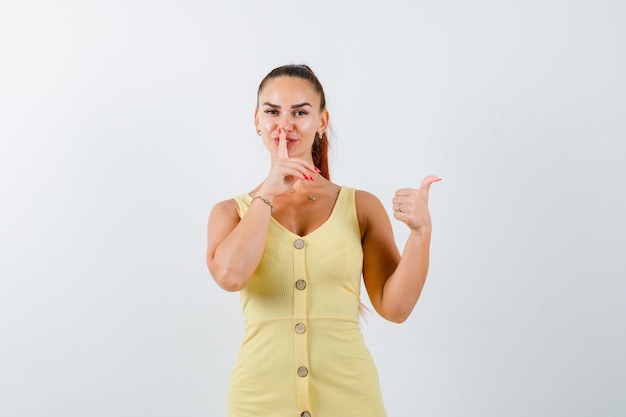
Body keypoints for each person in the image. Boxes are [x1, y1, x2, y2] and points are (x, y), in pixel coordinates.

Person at [206, 64, 440, 417]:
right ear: (257, 120)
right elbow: (230, 276)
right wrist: (267, 194)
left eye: (300, 112)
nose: (285, 124)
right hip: (258, 400)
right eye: (272, 112)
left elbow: (395, 308)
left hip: (351, 397)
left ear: (322, 121)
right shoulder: (231, 212)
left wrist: (421, 234)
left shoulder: (360, 207)